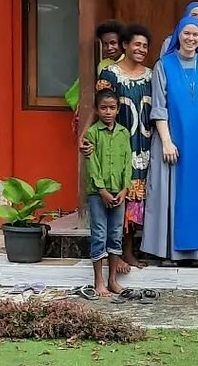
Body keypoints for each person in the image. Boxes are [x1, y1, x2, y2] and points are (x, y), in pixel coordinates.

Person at [141, 15, 198, 265]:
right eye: (186, 33)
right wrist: (166, 141)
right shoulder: (164, 65)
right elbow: (159, 107)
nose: (191, 38)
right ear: (178, 35)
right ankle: (169, 253)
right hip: (173, 139)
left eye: (195, 34)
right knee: (171, 194)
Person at [92, 23, 155, 270]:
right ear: (126, 45)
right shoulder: (109, 75)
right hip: (117, 145)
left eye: (145, 46)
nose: (141, 49)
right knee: (116, 196)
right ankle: (112, 254)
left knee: (136, 200)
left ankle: (127, 252)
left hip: (145, 144)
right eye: (137, 44)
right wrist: (90, 137)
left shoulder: (151, 75)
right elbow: (100, 107)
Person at [84, 89, 131, 296]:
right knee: (99, 234)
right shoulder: (92, 133)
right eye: (103, 108)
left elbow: (128, 163)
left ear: (118, 110)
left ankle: (113, 280)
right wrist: (101, 189)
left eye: (112, 108)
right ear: (96, 109)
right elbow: (92, 165)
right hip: (98, 193)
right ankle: (99, 281)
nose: (108, 112)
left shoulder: (124, 133)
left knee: (115, 234)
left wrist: (125, 188)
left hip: (119, 193)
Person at [64, 20, 124, 112]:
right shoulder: (102, 65)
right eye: (105, 44)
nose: (109, 48)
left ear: (122, 43)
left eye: (113, 43)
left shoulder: (127, 62)